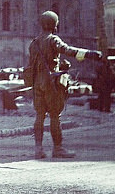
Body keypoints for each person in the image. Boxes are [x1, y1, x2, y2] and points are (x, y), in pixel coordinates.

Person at [28, 10, 102, 159]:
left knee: (40, 116)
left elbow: (32, 64)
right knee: (55, 115)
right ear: (53, 25)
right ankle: (58, 148)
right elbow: (67, 50)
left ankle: (38, 149)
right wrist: (88, 53)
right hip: (50, 83)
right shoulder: (53, 40)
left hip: (37, 83)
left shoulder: (33, 43)